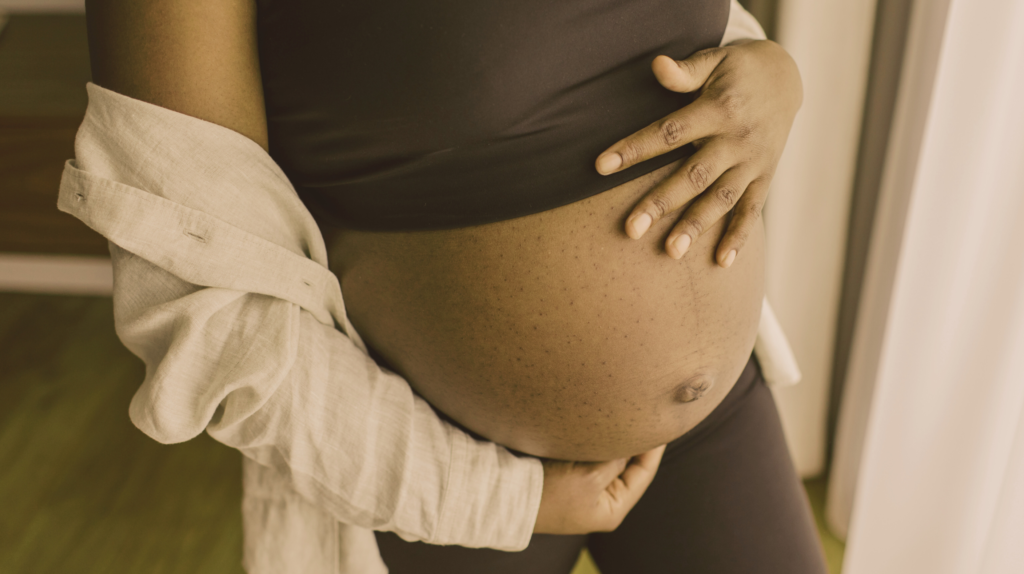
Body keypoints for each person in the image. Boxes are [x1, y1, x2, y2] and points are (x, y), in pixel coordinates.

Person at [75, 0, 821, 572]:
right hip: (443, 464)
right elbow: (205, 312)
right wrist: (497, 499)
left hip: (714, 420)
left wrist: (771, 78)